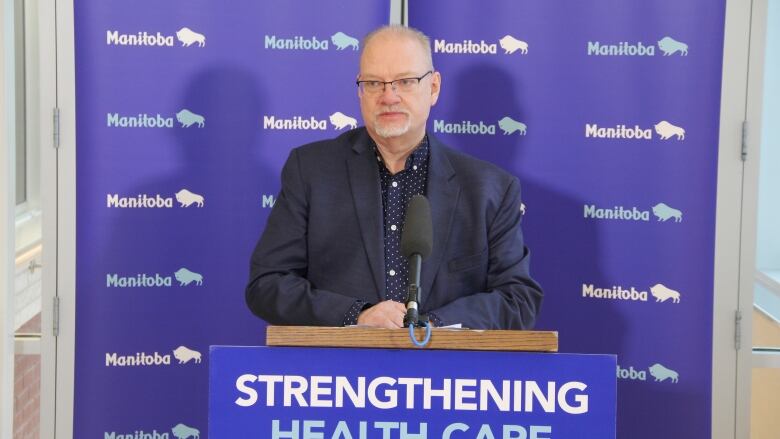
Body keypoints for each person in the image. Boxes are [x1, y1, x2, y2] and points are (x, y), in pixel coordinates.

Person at [246, 25, 542, 329]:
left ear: (434, 88)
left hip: (445, 373)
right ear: (360, 91)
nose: (389, 96)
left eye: (405, 81)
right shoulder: (311, 170)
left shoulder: (490, 188)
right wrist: (356, 315)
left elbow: (517, 298)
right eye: (374, 83)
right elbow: (268, 285)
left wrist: (431, 324)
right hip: (338, 369)